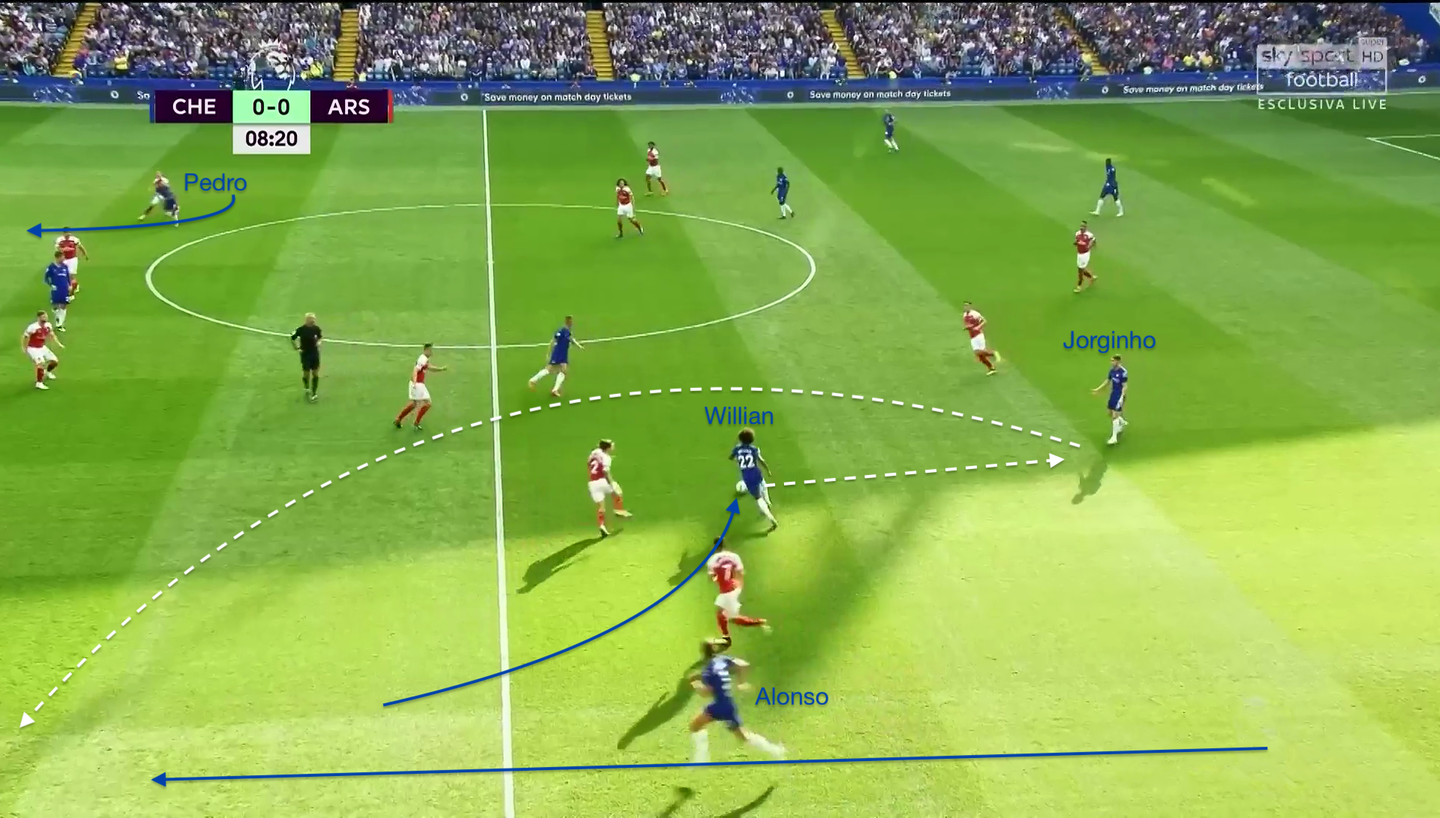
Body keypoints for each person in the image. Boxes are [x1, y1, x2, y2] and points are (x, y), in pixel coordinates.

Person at [688, 637, 785, 764]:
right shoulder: (722, 660)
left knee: (695, 726)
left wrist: (695, 683)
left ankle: (701, 758)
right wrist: (741, 682)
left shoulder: (708, 671)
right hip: (727, 704)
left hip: (720, 706)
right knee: (743, 736)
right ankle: (775, 750)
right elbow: (743, 665)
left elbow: (706, 693)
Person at [730, 427, 778, 530]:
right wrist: (768, 470)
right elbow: (761, 460)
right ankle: (768, 501)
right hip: (756, 473)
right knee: (763, 484)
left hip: (747, 477)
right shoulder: (754, 449)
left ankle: (772, 519)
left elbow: (731, 457)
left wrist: (738, 459)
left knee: (758, 499)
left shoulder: (737, 449)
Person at [586, 438, 633, 537]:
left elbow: (590, 462)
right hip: (603, 481)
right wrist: (611, 484)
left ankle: (602, 525)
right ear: (608, 448)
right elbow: (605, 471)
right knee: (618, 491)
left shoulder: (594, 452)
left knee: (600, 506)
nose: (613, 446)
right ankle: (618, 510)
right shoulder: (607, 458)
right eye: (612, 445)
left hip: (592, 483)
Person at [528, 315, 583, 397]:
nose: (572, 323)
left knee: (563, 371)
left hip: (563, 354)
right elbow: (553, 341)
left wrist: (579, 346)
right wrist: (548, 353)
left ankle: (554, 389)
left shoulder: (568, 331)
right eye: (570, 321)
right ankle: (533, 381)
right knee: (549, 369)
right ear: (567, 322)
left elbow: (571, 339)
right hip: (558, 354)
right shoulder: (561, 331)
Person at [395, 343, 446, 430]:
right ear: (426, 350)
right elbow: (415, 370)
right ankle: (412, 422)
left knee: (417, 404)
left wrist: (440, 369)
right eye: (430, 350)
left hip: (420, 384)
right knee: (424, 404)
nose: (431, 352)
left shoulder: (425, 359)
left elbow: (429, 367)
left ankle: (400, 419)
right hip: (417, 384)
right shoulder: (422, 359)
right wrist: (415, 382)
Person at [1092, 354, 1129, 445]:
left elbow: (1125, 386)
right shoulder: (1112, 371)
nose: (1111, 362)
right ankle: (1121, 421)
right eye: (1111, 360)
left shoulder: (1123, 372)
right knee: (1110, 412)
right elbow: (1107, 381)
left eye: (1113, 361)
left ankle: (1114, 437)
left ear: (1118, 361)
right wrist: (1098, 389)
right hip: (1113, 394)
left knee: (1114, 416)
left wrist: (1122, 397)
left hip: (1119, 395)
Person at [21, 311, 62, 390]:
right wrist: (24, 347)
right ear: (39, 318)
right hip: (33, 348)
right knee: (41, 363)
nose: (45, 318)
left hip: (42, 347)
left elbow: (52, 334)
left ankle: (48, 372)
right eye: (43, 317)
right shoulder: (33, 327)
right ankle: (39, 383)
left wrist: (58, 344)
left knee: (55, 361)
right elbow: (25, 337)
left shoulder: (48, 325)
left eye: (46, 316)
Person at [291, 313, 322, 402]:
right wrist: (296, 348)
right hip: (305, 354)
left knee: (315, 373)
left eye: (314, 319)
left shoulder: (316, 328)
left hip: (314, 353)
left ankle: (314, 393)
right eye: (312, 319)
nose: (314, 321)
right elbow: (292, 338)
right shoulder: (301, 329)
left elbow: (320, 337)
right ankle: (306, 386)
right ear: (307, 320)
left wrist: (319, 342)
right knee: (306, 373)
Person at [961, 302, 1000, 375]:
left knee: (978, 352)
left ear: (970, 307)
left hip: (979, 335)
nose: (965, 307)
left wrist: (978, 327)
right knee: (980, 356)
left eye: (967, 306)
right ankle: (991, 368)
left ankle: (993, 353)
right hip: (972, 337)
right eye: (964, 306)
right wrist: (967, 328)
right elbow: (969, 325)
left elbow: (984, 321)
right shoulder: (964, 315)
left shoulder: (975, 314)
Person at [54, 230, 88, 298]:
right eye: (66, 233)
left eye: (68, 233)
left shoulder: (74, 239)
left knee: (71, 275)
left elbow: (80, 247)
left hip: (73, 259)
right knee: (66, 275)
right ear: (63, 233)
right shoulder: (59, 240)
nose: (67, 234)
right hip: (64, 259)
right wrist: (62, 250)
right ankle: (72, 287)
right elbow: (57, 249)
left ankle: (72, 290)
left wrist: (85, 254)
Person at [43, 251, 71, 331]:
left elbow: (67, 276)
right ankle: (57, 319)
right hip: (56, 289)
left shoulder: (65, 266)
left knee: (64, 305)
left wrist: (69, 285)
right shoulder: (51, 267)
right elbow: (46, 278)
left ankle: (60, 324)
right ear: (58, 258)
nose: (64, 259)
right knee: (55, 306)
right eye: (62, 257)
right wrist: (51, 285)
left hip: (64, 289)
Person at [1073, 220, 1097, 293]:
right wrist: (1075, 243)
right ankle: (1091, 277)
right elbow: (1076, 241)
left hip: (1085, 254)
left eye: (1083, 226)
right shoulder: (1077, 233)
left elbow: (1094, 241)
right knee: (1081, 269)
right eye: (1081, 226)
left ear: (1086, 227)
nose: (1081, 227)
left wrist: (1090, 246)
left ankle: (1079, 286)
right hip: (1079, 254)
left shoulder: (1089, 235)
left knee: (1080, 271)